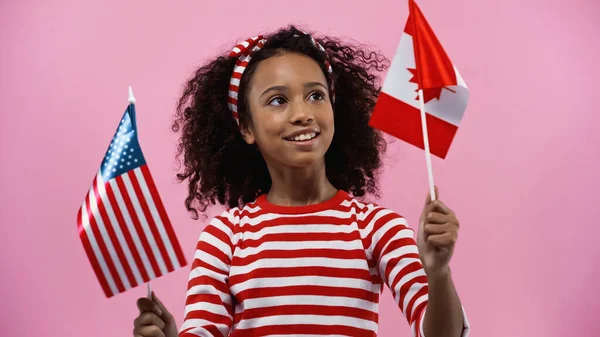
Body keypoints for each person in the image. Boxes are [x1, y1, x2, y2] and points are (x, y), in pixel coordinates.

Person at [133, 25, 469, 337]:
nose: (303, 113)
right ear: (247, 128)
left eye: (316, 96)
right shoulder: (226, 237)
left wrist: (438, 273)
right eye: (278, 100)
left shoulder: (378, 229)